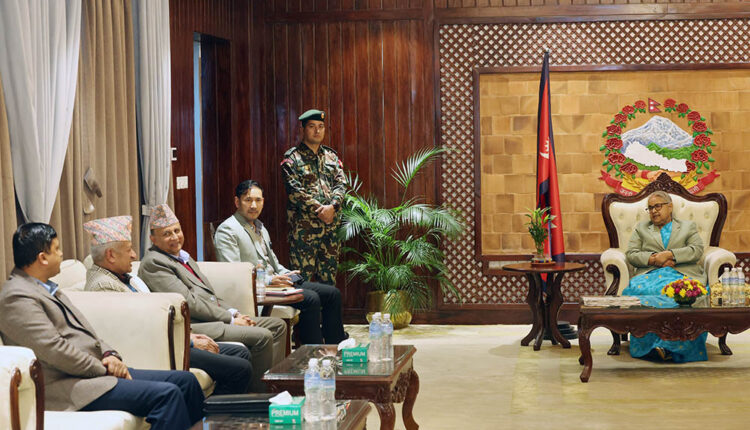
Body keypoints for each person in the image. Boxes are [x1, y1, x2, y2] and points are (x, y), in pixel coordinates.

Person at [0, 223, 203, 430]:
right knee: (167, 395)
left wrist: (109, 354)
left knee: (186, 382)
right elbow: (55, 350)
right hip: (67, 385)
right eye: (57, 249)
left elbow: (87, 332)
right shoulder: (16, 297)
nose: (61, 254)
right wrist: (104, 369)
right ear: (43, 258)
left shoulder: (47, 287)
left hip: (92, 373)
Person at [83, 215, 252, 395]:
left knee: (240, 353)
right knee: (240, 368)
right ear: (110, 255)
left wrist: (189, 336)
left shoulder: (122, 277)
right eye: (129, 249)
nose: (134, 255)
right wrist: (189, 342)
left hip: (170, 339)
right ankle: (211, 412)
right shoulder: (103, 286)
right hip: (158, 349)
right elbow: (137, 330)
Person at [138, 204, 286, 392]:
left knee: (278, 325)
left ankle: (276, 385)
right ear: (153, 239)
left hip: (215, 317)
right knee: (262, 336)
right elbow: (189, 303)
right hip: (197, 325)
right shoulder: (154, 263)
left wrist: (234, 313)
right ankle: (257, 396)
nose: (175, 237)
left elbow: (210, 295)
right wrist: (230, 319)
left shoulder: (182, 256)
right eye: (167, 234)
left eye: (177, 231)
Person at [214, 180, 347, 345]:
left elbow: (274, 264)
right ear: (237, 202)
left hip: (277, 283)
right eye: (248, 200)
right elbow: (234, 275)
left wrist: (288, 274)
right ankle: (313, 352)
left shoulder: (260, 227)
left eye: (258, 200)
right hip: (258, 290)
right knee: (310, 298)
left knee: (332, 294)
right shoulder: (227, 230)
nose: (254, 205)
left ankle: (336, 347)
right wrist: (270, 280)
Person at [622, 191, 708, 362]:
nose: (653, 211)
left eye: (658, 206)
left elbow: (696, 250)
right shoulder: (641, 228)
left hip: (682, 273)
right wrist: (655, 259)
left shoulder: (687, 226)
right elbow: (631, 254)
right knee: (644, 293)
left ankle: (673, 347)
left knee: (681, 295)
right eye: (650, 208)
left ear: (670, 207)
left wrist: (670, 255)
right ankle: (649, 347)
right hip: (650, 273)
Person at [280, 109, 347, 285]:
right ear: (302, 129)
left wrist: (333, 207)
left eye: (321, 126)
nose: (317, 130)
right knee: (301, 284)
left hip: (330, 230)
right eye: (312, 126)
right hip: (304, 232)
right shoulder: (292, 159)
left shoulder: (332, 157)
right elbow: (295, 191)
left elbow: (341, 184)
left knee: (329, 284)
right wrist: (321, 210)